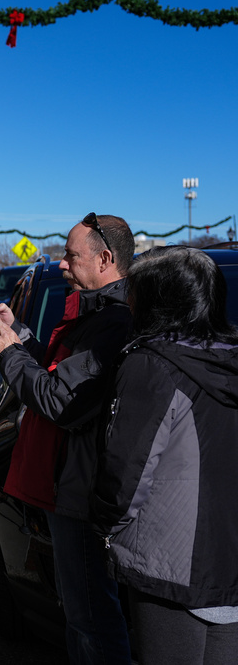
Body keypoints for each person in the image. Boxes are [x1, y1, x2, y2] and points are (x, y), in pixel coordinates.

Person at [0, 213, 134, 665]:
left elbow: (58, 401)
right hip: (71, 486)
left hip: (85, 493)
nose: (62, 265)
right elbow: (57, 371)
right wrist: (22, 336)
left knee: (91, 619)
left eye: (70, 256)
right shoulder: (94, 313)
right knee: (83, 614)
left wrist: (9, 350)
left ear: (104, 259)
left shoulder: (114, 323)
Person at [90, 246, 238, 665]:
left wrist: (102, 527)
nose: (128, 299)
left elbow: (125, 474)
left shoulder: (148, 365)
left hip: (169, 565)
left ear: (159, 297)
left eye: (134, 290)